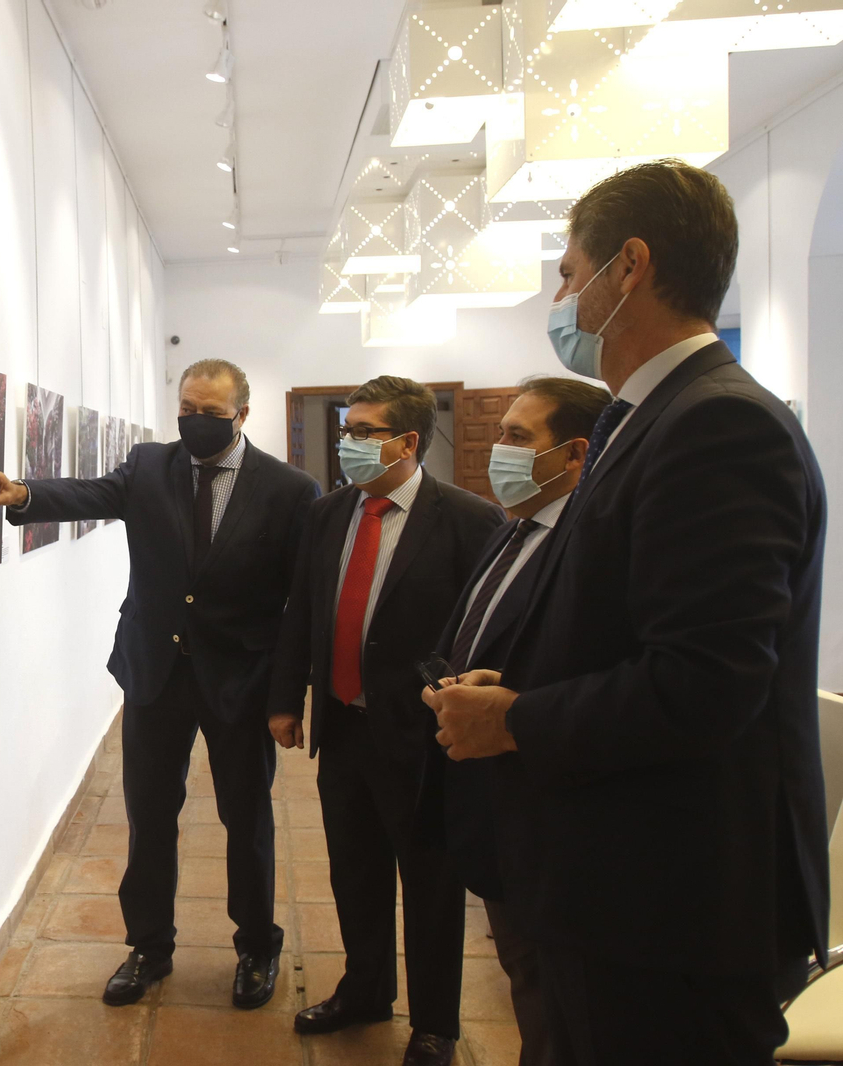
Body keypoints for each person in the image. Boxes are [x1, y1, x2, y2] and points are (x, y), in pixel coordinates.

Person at [424, 160, 830, 1065]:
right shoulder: (646, 419)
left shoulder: (719, 425)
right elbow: (614, 615)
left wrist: (518, 718)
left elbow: (706, 682)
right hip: (619, 881)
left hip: (671, 904)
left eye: (570, 273)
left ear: (630, 267)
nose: (564, 297)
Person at [0, 359, 320, 1010]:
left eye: (211, 414)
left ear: (242, 415)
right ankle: (148, 947)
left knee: (246, 819)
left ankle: (256, 947)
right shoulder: (150, 466)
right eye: (187, 408)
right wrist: (23, 495)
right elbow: (93, 493)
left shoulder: (290, 490)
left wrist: (286, 696)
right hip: (155, 672)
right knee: (149, 817)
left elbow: (302, 604)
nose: (195, 422)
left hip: (241, 677)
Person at [267, 375, 503, 1066]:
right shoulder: (329, 512)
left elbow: (481, 633)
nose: (348, 444)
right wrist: (287, 698)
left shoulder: (467, 519)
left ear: (405, 441)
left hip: (422, 737)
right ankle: (364, 990)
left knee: (431, 884)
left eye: (363, 432)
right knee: (354, 871)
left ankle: (435, 1023)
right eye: (346, 429)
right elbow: (302, 611)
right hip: (342, 727)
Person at [419, 376, 610, 1066]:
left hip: (551, 815)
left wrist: (512, 701)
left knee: (559, 1004)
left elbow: (589, 671)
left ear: (575, 456)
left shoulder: (588, 546)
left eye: (517, 437)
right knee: (528, 983)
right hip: (496, 807)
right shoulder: (515, 529)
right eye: (500, 431)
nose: (498, 448)